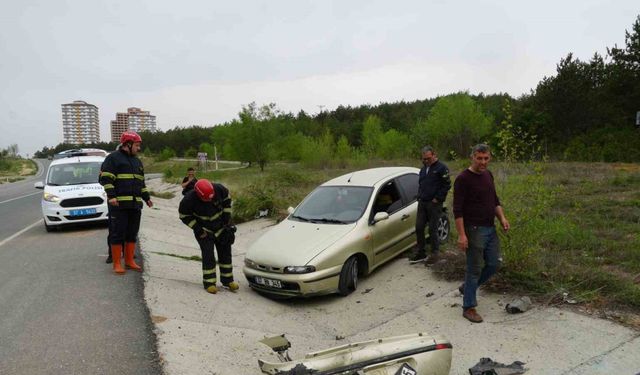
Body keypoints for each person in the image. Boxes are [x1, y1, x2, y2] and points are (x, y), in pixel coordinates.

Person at [453, 144, 510, 323]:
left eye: (486, 158)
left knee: (494, 263)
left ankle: (468, 288)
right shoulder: (463, 179)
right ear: (472, 157)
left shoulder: (488, 175)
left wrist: (502, 218)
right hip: (474, 230)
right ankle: (468, 307)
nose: (483, 162)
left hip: (490, 228)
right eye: (479, 158)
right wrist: (462, 235)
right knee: (474, 269)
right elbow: (458, 210)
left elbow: (494, 200)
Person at [99, 131, 153, 274]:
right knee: (117, 234)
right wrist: (111, 196)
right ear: (127, 144)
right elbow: (106, 179)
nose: (138, 148)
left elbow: (141, 183)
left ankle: (129, 261)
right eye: (136, 145)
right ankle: (117, 263)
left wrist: (147, 197)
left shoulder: (137, 161)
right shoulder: (113, 159)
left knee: (132, 233)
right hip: (119, 206)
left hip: (135, 205)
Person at [179, 179, 239, 294]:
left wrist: (227, 219)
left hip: (221, 227)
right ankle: (209, 283)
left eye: (210, 197)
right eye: (206, 198)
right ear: (198, 194)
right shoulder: (188, 200)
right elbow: (184, 216)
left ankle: (228, 281)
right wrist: (198, 229)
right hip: (204, 231)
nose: (209, 200)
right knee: (208, 255)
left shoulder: (219, 189)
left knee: (225, 253)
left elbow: (227, 201)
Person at [410, 146, 451, 265]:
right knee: (419, 227)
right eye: (424, 159)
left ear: (434, 155)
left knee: (433, 229)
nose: (426, 161)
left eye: (428, 158)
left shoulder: (441, 168)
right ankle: (421, 252)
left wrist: (437, 198)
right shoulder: (423, 169)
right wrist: (419, 195)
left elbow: (447, 185)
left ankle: (435, 254)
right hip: (422, 202)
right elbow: (422, 184)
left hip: (434, 204)